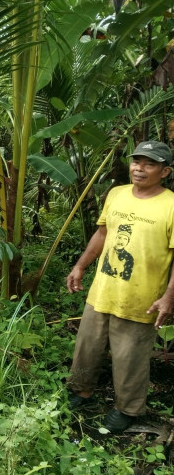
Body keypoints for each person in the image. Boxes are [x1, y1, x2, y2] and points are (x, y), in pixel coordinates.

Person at [66, 140, 174, 433]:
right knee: (87, 345)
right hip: (103, 289)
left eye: (149, 164)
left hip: (142, 297)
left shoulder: (171, 205)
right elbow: (102, 233)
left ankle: (128, 408)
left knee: (130, 355)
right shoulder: (117, 193)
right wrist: (80, 265)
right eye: (136, 161)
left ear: (165, 172)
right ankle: (81, 392)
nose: (139, 168)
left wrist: (168, 298)